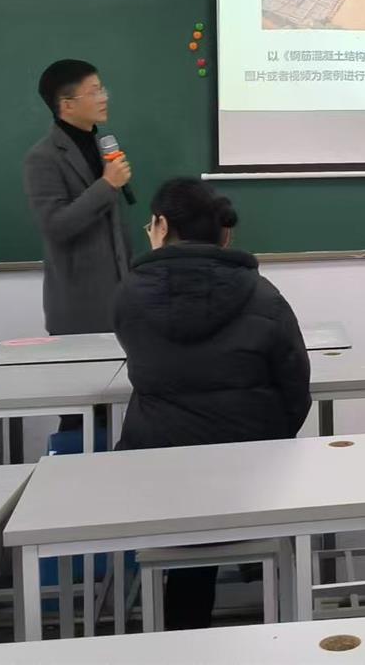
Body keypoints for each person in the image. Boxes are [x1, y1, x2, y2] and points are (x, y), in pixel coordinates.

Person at [114, 177, 311, 629]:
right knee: (225, 474)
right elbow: (296, 390)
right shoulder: (264, 295)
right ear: (221, 231)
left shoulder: (128, 296)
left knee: (185, 479)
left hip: (158, 485)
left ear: (162, 226)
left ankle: (183, 635)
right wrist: (267, 443)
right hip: (253, 481)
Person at [23, 59, 133, 336]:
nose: (104, 98)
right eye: (94, 92)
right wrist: (107, 184)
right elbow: (56, 226)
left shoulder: (103, 146)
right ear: (67, 104)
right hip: (79, 306)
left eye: (102, 89)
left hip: (122, 299)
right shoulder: (43, 157)